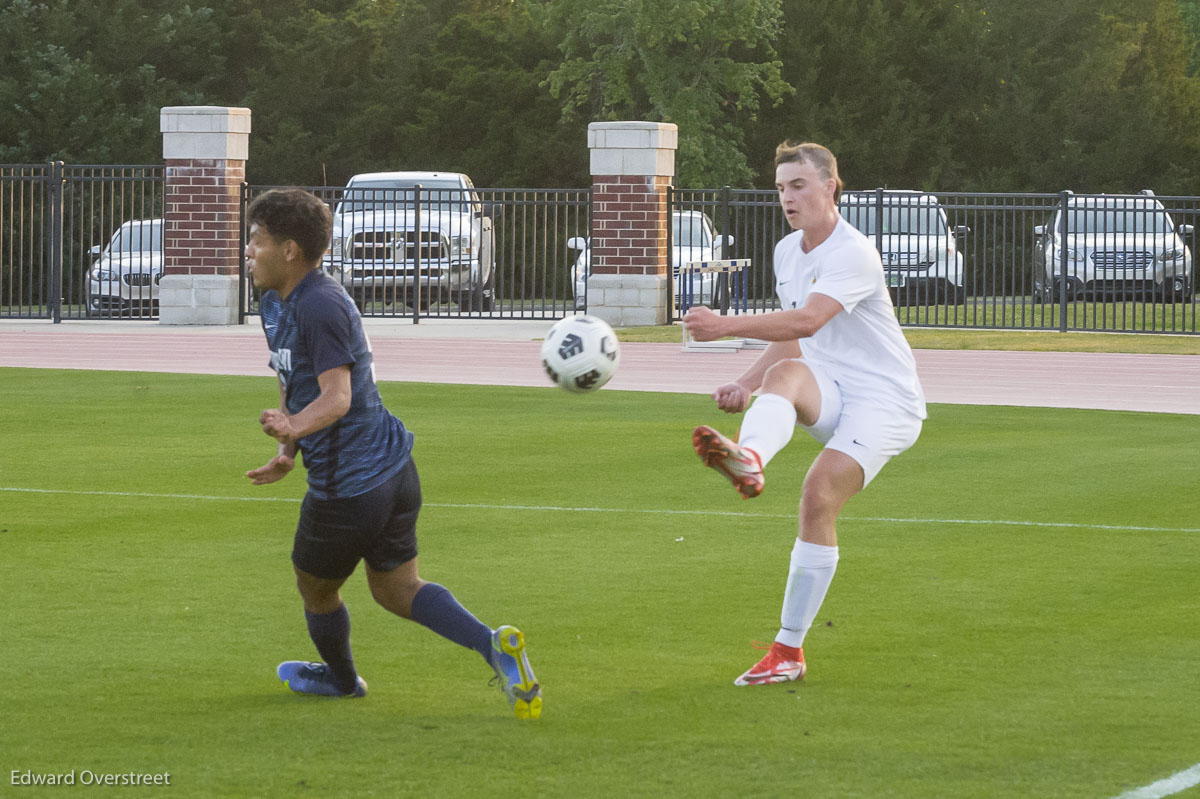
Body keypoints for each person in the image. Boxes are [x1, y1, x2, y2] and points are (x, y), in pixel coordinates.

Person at [243, 187, 541, 719]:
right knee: (397, 588)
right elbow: (297, 380)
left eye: (256, 239)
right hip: (394, 471)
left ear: (289, 249)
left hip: (351, 484)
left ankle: (341, 682)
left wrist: (294, 424)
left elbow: (336, 397)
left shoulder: (321, 302)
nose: (248, 249)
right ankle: (492, 644)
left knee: (314, 587)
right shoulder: (276, 302)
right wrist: (289, 448)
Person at [682, 142, 926, 687]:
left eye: (798, 185)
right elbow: (793, 341)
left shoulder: (853, 252)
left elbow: (809, 321)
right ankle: (749, 457)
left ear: (830, 186)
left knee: (818, 495)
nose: (787, 197)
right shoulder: (788, 251)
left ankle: (787, 650)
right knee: (781, 378)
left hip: (884, 402)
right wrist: (745, 384)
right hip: (830, 386)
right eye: (780, 188)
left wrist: (724, 326)